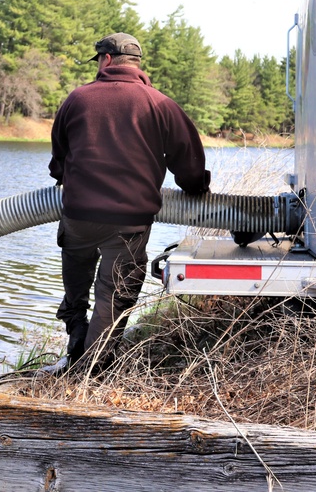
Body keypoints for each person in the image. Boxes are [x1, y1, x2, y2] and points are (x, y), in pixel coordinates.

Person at [48, 32, 211, 369]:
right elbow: (190, 164)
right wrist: (195, 189)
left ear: (106, 60)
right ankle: (90, 371)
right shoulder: (159, 103)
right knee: (113, 295)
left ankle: (76, 333)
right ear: (136, 64)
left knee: (77, 282)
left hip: (78, 215)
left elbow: (58, 161)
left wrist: (69, 179)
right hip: (129, 222)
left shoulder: (76, 99)